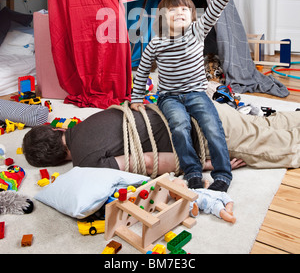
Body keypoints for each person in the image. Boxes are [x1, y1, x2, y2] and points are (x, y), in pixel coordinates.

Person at [130, 0, 236, 191]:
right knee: (179, 125)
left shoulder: (197, 31)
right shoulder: (156, 43)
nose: (179, 13)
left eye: (185, 9)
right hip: (169, 97)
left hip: (196, 92)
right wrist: (137, 97)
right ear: (162, 17)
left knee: (212, 126)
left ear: (192, 15)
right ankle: (192, 171)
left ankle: (223, 174)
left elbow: (214, 11)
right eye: (172, 10)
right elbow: (142, 71)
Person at [22, 103, 300, 171]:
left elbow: (145, 160)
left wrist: (201, 164)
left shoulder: (85, 163)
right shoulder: (87, 121)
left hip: (208, 132)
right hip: (197, 107)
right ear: (58, 130)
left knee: (286, 150)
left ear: (56, 162)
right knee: (266, 125)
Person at [169, 178, 236, 224]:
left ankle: (229, 208)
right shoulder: (188, 201)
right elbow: (194, 214)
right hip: (211, 204)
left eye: (176, 195)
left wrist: (206, 187)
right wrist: (194, 209)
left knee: (225, 195)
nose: (176, 198)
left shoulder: (192, 190)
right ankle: (230, 218)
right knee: (220, 210)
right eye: (175, 198)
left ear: (184, 185)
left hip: (214, 193)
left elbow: (202, 191)